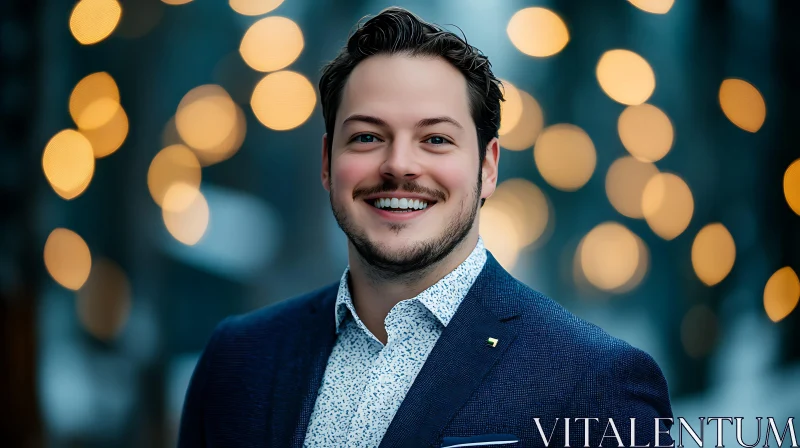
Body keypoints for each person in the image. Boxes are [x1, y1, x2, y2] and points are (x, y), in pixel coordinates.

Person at [178, 6, 674, 448]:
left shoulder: (596, 381)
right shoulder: (237, 357)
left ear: (487, 168)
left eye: (435, 138)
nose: (399, 165)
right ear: (328, 162)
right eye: (368, 136)